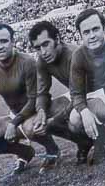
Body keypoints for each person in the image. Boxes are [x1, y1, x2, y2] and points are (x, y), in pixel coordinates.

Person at [0, 23, 60, 174]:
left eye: (4, 41)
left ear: (13, 42)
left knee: (30, 128)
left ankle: (52, 149)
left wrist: (14, 123)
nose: (0, 46)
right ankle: (25, 153)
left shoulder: (27, 62)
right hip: (15, 116)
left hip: (37, 111)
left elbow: (34, 99)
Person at [27, 20, 92, 165]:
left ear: (57, 39)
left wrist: (56, 119)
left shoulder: (74, 55)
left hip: (94, 94)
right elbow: (42, 92)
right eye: (38, 48)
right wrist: (41, 111)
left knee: (67, 119)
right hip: (77, 95)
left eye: (46, 44)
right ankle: (85, 142)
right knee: (41, 121)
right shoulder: (42, 61)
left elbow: (82, 94)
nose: (43, 52)